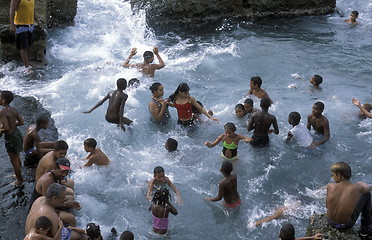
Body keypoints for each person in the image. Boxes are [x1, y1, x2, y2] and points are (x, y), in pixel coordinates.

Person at [326, 162, 372, 238]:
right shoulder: (357, 188)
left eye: (333, 175)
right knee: (366, 194)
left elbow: (327, 205)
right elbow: (369, 188)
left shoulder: (330, 186)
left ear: (339, 175)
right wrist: (359, 184)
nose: (332, 177)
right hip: (345, 225)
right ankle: (365, 231)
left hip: (329, 221)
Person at [0, 90, 24, 186]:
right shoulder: (13, 109)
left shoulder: (2, 112)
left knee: (13, 160)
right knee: (17, 156)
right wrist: (11, 124)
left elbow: (6, 128)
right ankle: (19, 174)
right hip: (17, 134)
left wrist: (1, 130)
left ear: (3, 100)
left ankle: (19, 180)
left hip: (11, 137)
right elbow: (21, 122)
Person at [9, 0, 40, 69]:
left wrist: (37, 20)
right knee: (23, 47)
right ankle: (26, 67)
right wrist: (12, 25)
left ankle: (28, 62)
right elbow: (12, 9)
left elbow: (32, 9)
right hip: (20, 26)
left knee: (30, 45)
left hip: (30, 25)